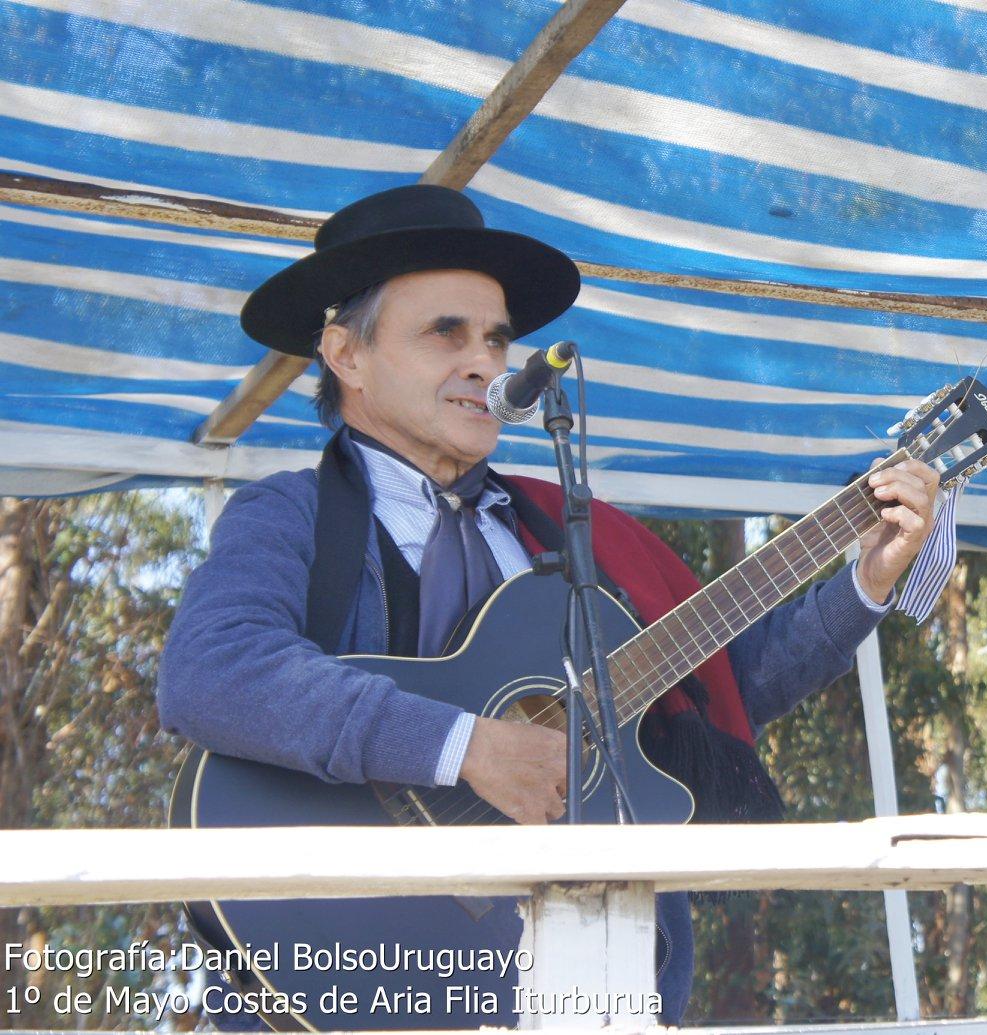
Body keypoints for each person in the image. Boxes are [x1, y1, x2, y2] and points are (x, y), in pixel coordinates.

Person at [157, 184, 941, 1026]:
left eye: (496, 339)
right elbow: (211, 670)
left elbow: (715, 693)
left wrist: (866, 581)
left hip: (585, 986)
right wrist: (465, 746)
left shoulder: (570, 531)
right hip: (344, 962)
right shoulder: (290, 514)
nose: (486, 363)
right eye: (444, 332)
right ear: (346, 354)